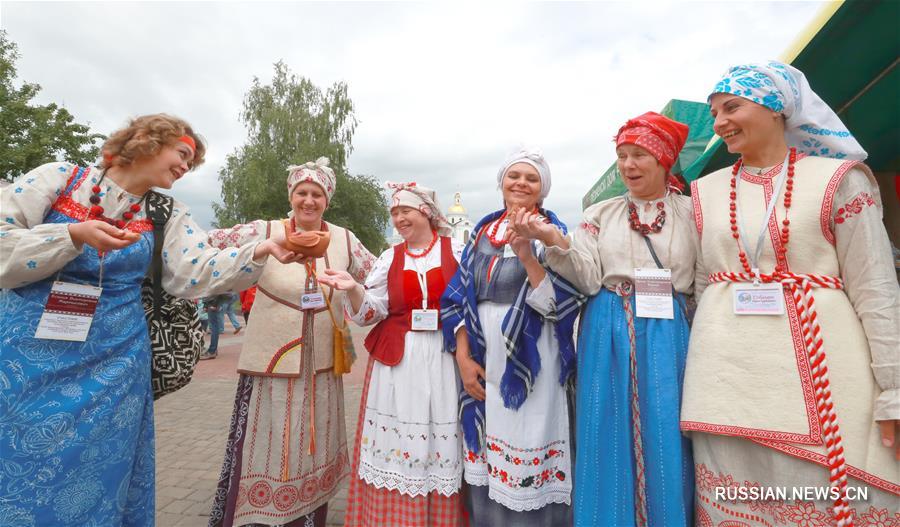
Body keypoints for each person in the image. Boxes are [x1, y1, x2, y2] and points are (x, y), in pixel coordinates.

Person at [0, 114, 295, 525]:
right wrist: (72, 235)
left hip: (115, 366)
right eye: (183, 153)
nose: (185, 167)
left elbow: (195, 268)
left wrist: (261, 250)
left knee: (104, 470)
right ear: (147, 141)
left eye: (191, 163)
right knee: (21, 460)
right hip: (27, 358)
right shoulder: (61, 179)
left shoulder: (164, 211)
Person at [682, 61, 899, 523]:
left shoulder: (837, 180)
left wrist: (894, 391)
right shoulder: (703, 192)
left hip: (828, 380)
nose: (719, 122)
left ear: (777, 107)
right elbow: (700, 286)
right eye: (714, 111)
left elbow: (877, 289)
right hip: (725, 381)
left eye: (731, 106)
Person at [515, 112, 697, 526]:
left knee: (668, 428)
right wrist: (553, 240)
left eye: (639, 155)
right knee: (605, 430)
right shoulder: (601, 213)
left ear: (664, 159)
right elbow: (589, 275)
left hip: (668, 329)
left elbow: (701, 277)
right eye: (622, 155)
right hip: (607, 324)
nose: (628, 165)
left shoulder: (692, 213)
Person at [207, 157, 376, 527]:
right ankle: (259, 517)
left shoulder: (345, 239)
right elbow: (209, 243)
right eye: (302, 192)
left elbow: (380, 274)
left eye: (317, 194)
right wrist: (254, 252)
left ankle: (310, 516)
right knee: (271, 442)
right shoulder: (266, 230)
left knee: (315, 445)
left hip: (323, 367)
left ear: (327, 200)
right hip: (272, 365)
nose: (309, 201)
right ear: (292, 195)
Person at [440, 148, 584, 526]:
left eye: (531, 178)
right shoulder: (482, 232)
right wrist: (464, 360)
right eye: (513, 176)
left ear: (543, 189)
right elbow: (457, 298)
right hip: (483, 350)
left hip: (532, 355)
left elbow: (559, 307)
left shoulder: (554, 234)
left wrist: (527, 256)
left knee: (530, 439)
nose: (521, 183)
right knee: (489, 445)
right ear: (502, 184)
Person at [317, 182, 466, 526]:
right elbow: (372, 311)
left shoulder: (456, 250)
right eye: (395, 213)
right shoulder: (390, 257)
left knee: (441, 436)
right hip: (399, 361)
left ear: (426, 212)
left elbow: (469, 302)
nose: (399, 219)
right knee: (399, 439)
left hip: (444, 357)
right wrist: (354, 288)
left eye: (406, 211)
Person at [201, 293, 231, 360]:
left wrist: (213, 304)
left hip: (212, 302)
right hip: (212, 302)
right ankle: (213, 350)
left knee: (214, 326)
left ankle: (212, 351)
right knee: (214, 326)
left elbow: (215, 290)